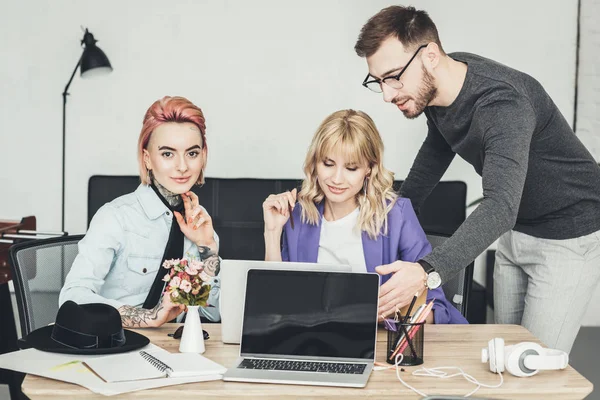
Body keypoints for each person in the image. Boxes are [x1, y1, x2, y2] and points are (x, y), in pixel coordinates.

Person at [354, 6, 600, 352]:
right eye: (378, 81)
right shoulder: (444, 87)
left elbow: (499, 207)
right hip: (517, 232)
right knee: (505, 359)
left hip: (568, 237)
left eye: (393, 76)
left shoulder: (502, 104)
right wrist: (394, 210)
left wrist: (426, 270)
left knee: (534, 367)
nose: (387, 94)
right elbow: (437, 149)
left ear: (431, 56)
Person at [263, 109, 466, 324]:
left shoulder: (397, 215)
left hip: (380, 344)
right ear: (314, 163)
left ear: (369, 168)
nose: (337, 179)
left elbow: (436, 309)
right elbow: (275, 303)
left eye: (351, 168)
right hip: (314, 341)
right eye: (328, 164)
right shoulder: (298, 216)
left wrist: (380, 316)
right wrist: (273, 232)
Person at [60, 96, 221, 328]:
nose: (183, 166)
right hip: (118, 348)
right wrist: (148, 317)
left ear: (203, 155)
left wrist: (208, 249)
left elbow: (212, 314)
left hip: (177, 352)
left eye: (192, 153)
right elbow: (73, 296)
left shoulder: (201, 221)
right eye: (168, 154)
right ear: (147, 158)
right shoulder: (115, 217)